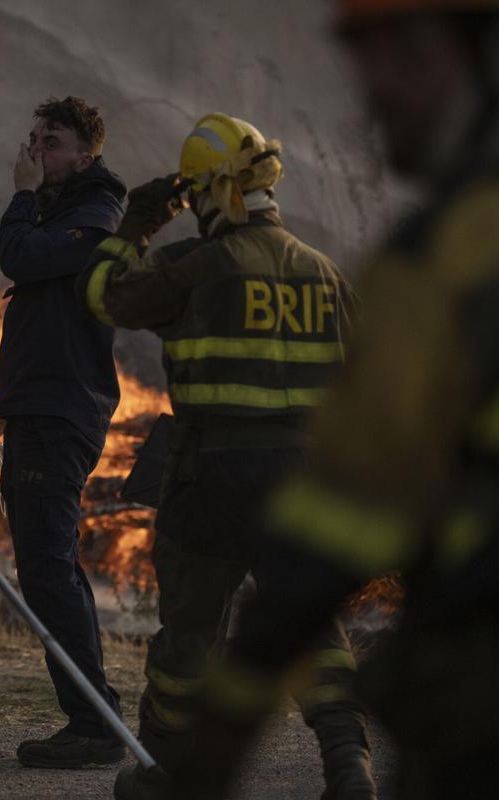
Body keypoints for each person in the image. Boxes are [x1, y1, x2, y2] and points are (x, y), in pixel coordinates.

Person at [160, 1, 499, 799]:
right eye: (363, 53)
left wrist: (210, 748)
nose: (374, 85)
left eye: (406, 50)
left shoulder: (452, 252)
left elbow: (334, 528)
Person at [75, 114, 376, 800]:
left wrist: (137, 225)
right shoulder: (326, 274)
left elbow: (99, 296)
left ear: (214, 191)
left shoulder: (197, 264)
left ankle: (162, 773)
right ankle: (348, 763)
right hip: (303, 481)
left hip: (210, 479)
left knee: (189, 637)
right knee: (311, 622)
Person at [0, 95, 129, 769]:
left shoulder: (94, 218)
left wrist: (21, 196)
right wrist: (5, 408)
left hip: (62, 420)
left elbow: (20, 258)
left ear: (86, 156)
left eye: (51, 141)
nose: (35, 150)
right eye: (33, 138)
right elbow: (50, 334)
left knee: (49, 570)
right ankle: (95, 717)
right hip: (42, 412)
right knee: (48, 568)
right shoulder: (65, 216)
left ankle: (94, 723)